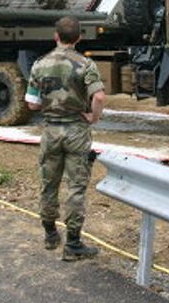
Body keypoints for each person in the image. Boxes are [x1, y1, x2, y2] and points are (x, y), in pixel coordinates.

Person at [25, 16, 106, 261]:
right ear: (79, 37)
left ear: (56, 36)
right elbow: (99, 97)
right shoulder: (86, 64)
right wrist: (92, 116)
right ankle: (73, 244)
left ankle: (50, 234)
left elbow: (31, 103)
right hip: (76, 132)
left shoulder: (40, 64)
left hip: (50, 132)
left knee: (49, 183)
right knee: (76, 186)